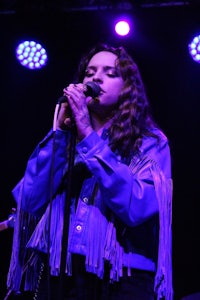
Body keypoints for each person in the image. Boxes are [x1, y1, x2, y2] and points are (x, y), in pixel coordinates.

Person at [5, 43, 173, 300]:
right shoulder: (64, 138)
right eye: (90, 72)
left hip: (123, 277)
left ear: (128, 87)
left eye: (110, 72)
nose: (96, 77)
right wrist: (60, 136)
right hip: (59, 271)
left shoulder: (150, 142)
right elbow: (29, 199)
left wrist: (89, 138)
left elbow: (137, 207)